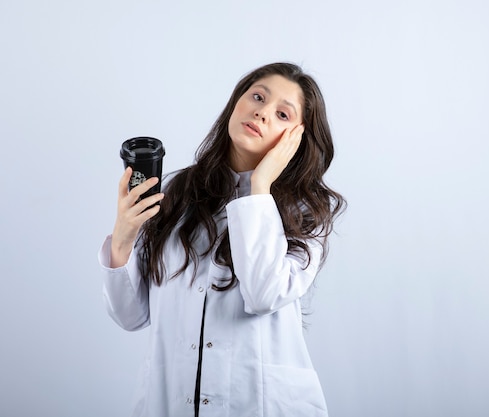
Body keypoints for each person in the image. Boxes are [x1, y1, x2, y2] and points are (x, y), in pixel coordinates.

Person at [98, 62, 345, 417]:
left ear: (296, 138)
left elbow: (263, 294)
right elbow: (130, 316)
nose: (261, 112)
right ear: (236, 102)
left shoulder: (307, 212)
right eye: (257, 97)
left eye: (281, 114)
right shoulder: (174, 192)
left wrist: (259, 188)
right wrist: (122, 238)